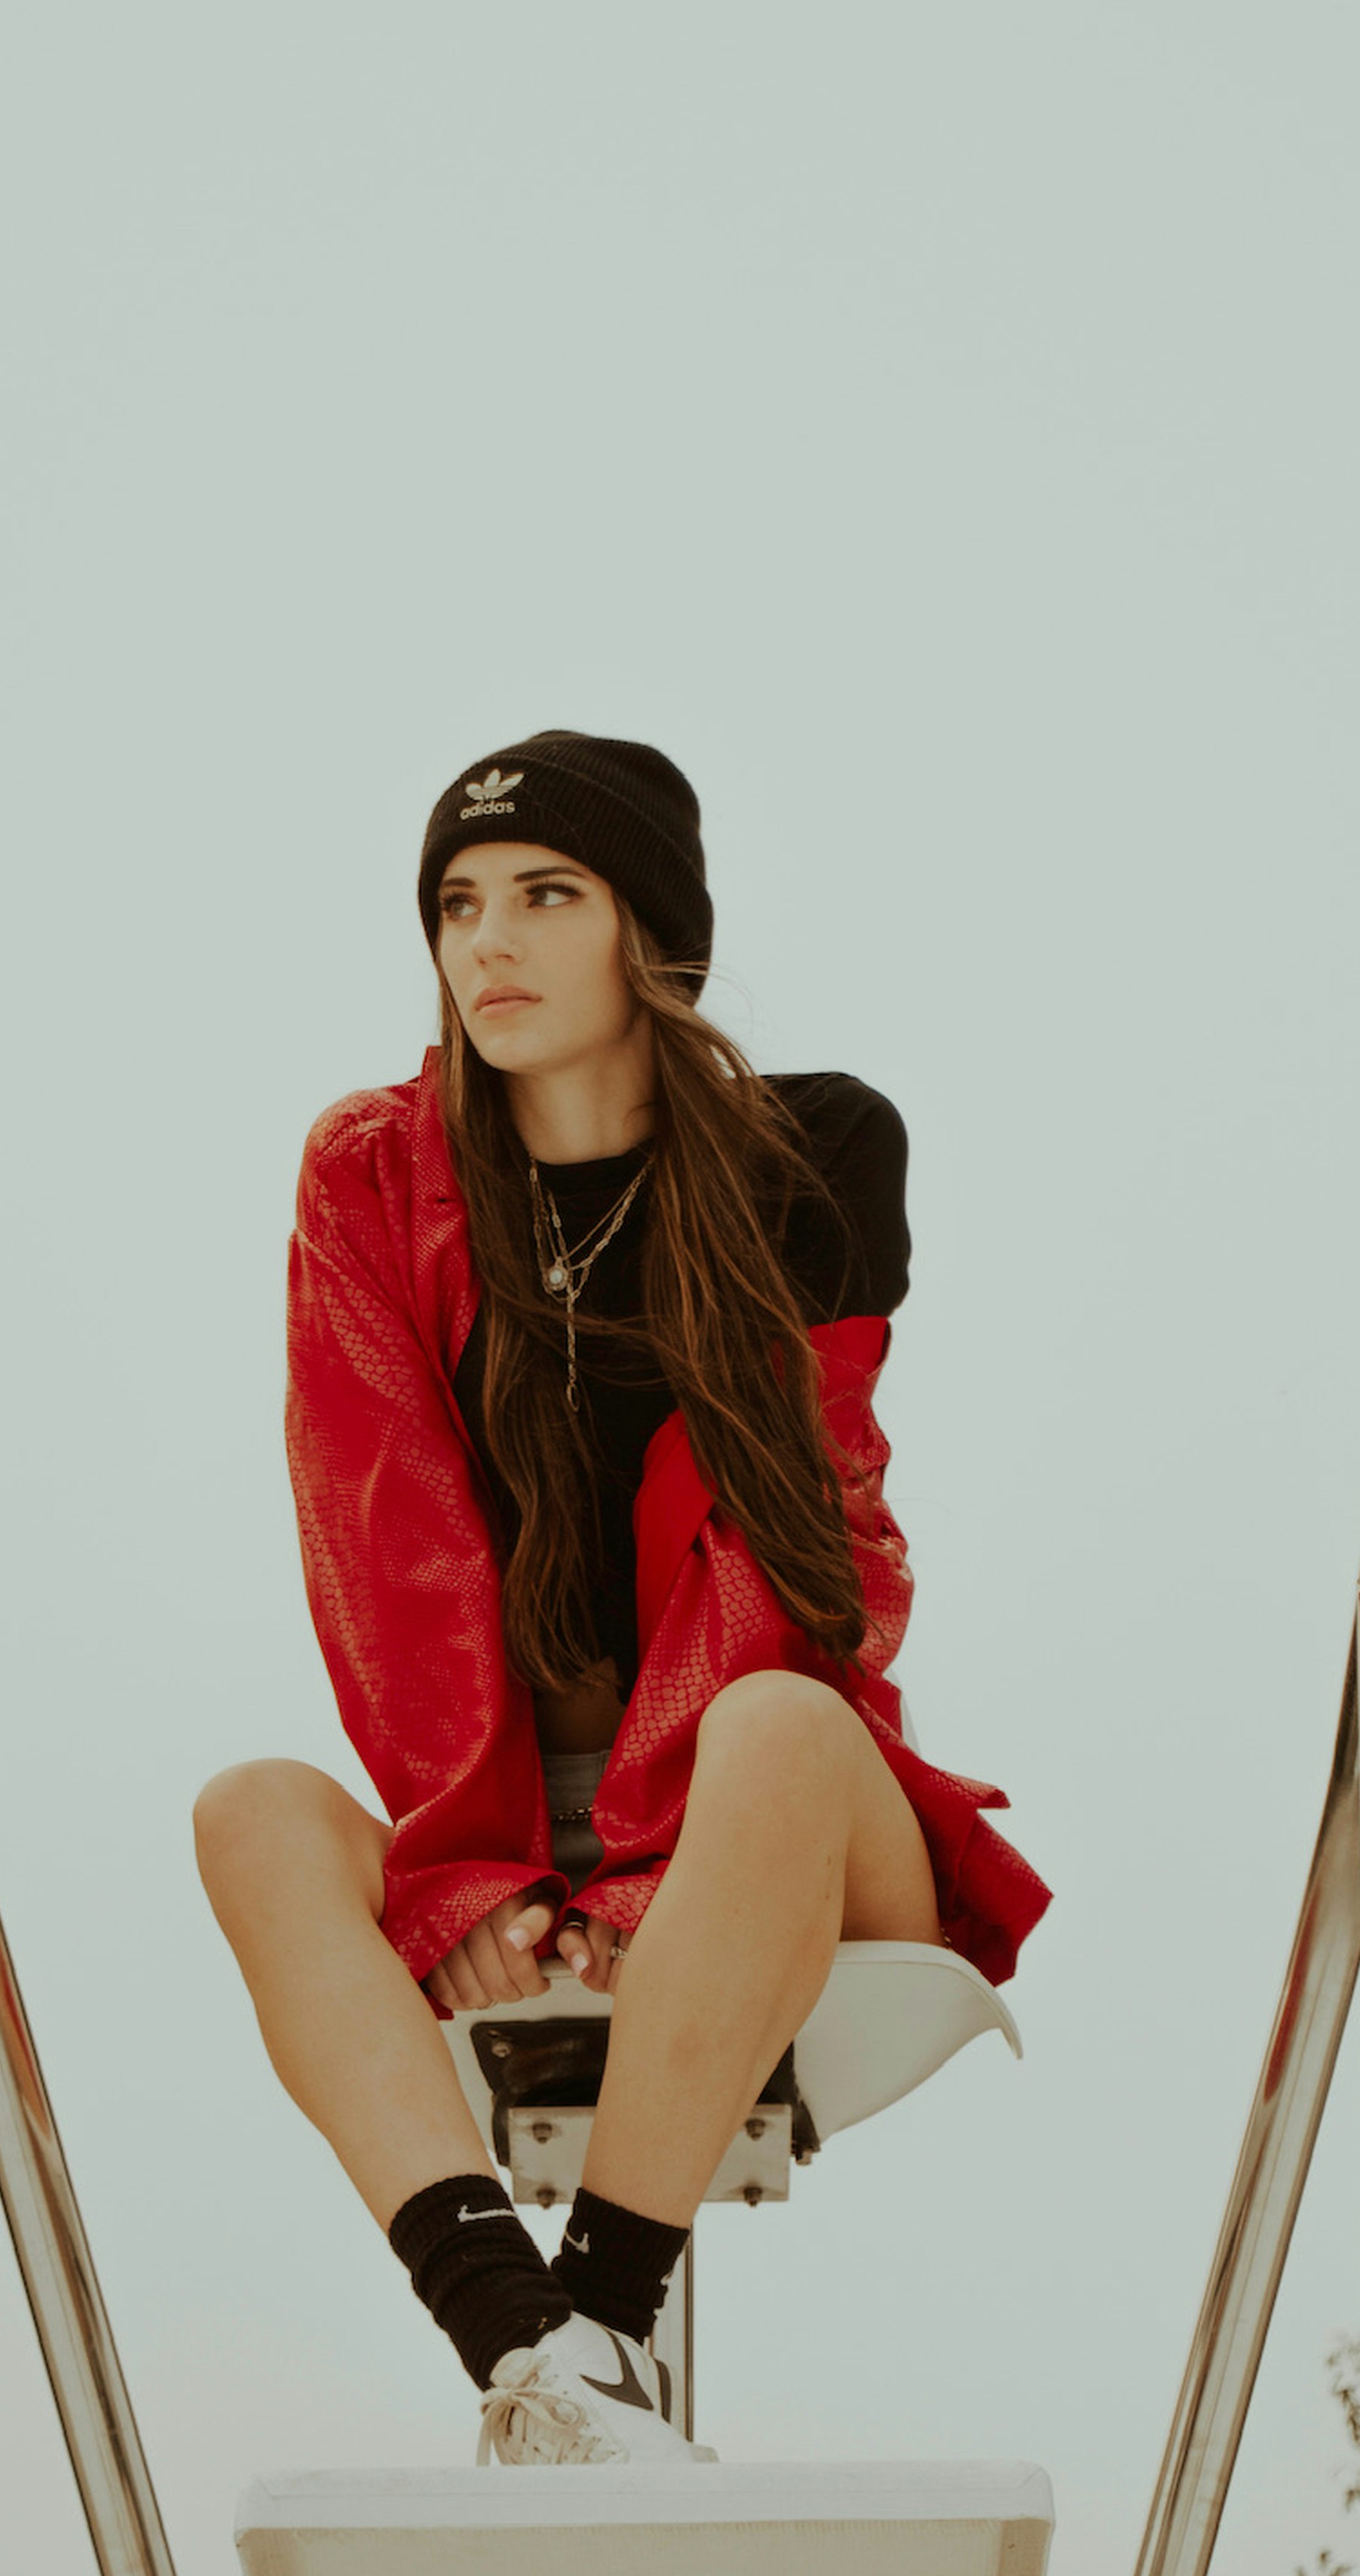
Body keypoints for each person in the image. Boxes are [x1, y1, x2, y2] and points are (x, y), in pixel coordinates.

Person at [194, 730, 1048, 2466]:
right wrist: (476, 1866)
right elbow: (386, 1546)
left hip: (771, 1817)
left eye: (544, 896)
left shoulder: (806, 1150)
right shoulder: (373, 1175)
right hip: (505, 1826)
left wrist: (646, 1856)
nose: (485, 943)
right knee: (255, 1815)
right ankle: (532, 2352)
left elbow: (798, 1538)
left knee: (781, 1726)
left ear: (648, 935)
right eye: (454, 904)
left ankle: (611, 2309)